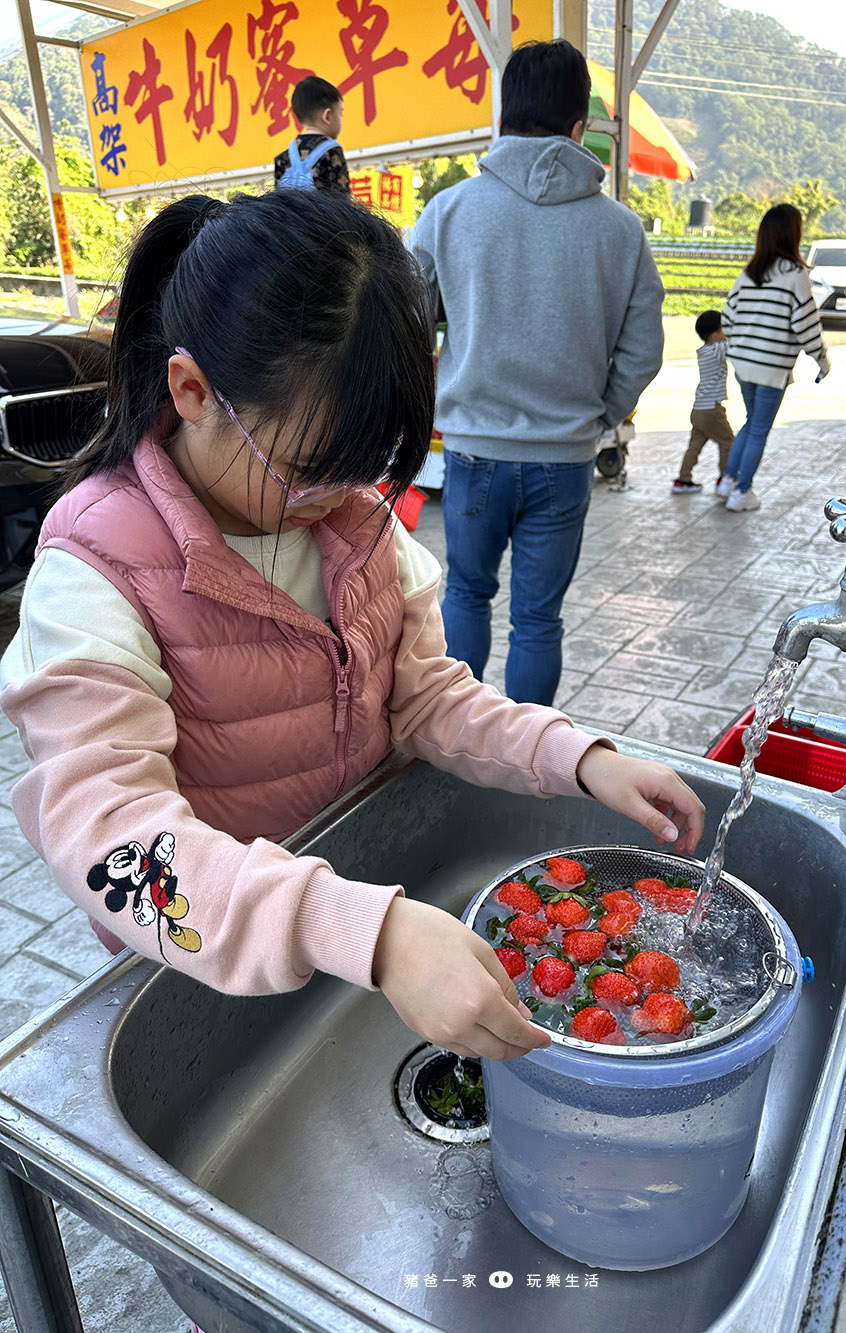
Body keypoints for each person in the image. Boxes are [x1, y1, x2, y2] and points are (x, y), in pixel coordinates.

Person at [0, 190, 704, 1073]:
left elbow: (426, 695)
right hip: (206, 961)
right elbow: (119, 849)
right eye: (306, 467)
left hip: (356, 907)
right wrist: (372, 933)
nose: (338, 495)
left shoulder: (355, 520)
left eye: (362, 465)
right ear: (190, 390)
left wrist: (579, 758)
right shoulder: (94, 572)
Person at [410, 39, 664, 708]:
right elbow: (643, 350)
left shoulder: (450, 212)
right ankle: (531, 759)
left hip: (472, 450)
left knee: (465, 594)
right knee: (539, 620)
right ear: (580, 128)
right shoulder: (620, 231)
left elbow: (402, 320)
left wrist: (435, 391)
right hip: (564, 459)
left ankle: (460, 738)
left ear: (504, 115)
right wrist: (601, 414)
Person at [719, 203, 830, 512]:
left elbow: (727, 319)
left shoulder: (749, 273)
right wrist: (822, 361)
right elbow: (806, 326)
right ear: (792, 235)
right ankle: (742, 493)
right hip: (771, 368)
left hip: (742, 365)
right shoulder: (796, 275)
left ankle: (727, 480)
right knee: (758, 429)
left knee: (750, 421)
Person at [672, 309, 734, 495]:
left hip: (698, 409)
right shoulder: (718, 349)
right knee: (728, 443)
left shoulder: (705, 350)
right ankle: (724, 479)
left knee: (695, 445)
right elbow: (738, 344)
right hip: (711, 410)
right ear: (716, 334)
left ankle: (683, 480)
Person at [273, 75, 350, 193]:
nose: (341, 119)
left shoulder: (283, 157)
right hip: (321, 212)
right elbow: (342, 196)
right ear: (327, 116)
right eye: (340, 113)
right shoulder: (332, 151)